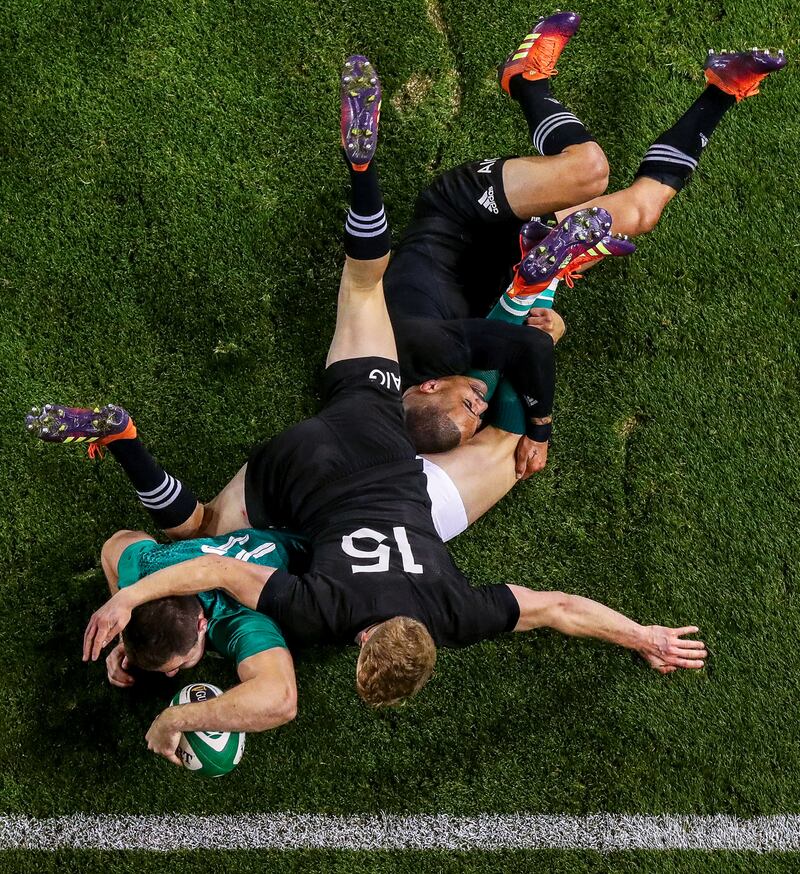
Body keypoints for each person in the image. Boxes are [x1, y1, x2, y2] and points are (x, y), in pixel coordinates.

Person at [74, 56, 706, 749]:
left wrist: (643, 632)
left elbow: (555, 607)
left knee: (485, 422)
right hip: (308, 460)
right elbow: (218, 570)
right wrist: (132, 604)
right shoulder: (325, 613)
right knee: (203, 520)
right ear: (366, 643)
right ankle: (373, 183)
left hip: (381, 443)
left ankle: (405, 202)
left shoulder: (453, 610)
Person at [383, 12, 786, 474]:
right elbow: (521, 351)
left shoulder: (420, 350)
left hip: (460, 213)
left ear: (429, 387)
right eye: (478, 415)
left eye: (470, 406)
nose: (479, 402)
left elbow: (526, 353)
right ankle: (723, 88)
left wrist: (541, 427)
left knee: (589, 170)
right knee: (642, 211)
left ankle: (526, 81)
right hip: (514, 257)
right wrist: (546, 329)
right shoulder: (448, 396)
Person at [96, 525, 306, 764]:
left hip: (311, 553)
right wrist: (122, 636)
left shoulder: (237, 618)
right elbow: (114, 544)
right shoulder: (149, 568)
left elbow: (281, 700)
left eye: (180, 663)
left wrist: (173, 720)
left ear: (202, 625)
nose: (172, 673)